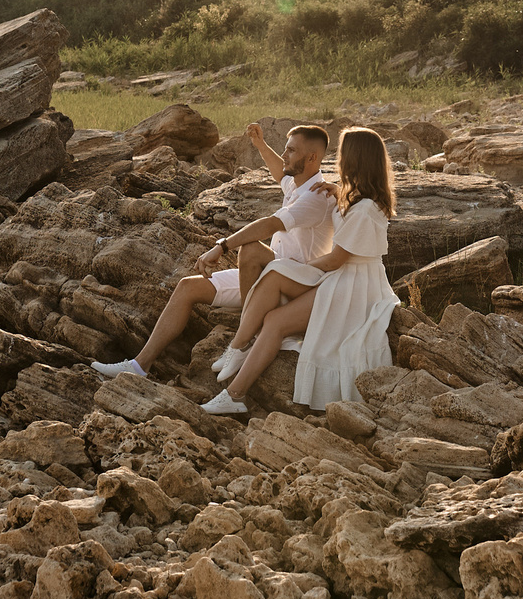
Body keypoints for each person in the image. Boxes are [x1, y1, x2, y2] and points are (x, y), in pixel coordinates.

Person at [89, 121, 333, 379]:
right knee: (187, 287)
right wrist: (260, 144)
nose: (284, 155)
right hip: (267, 275)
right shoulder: (299, 183)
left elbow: (270, 224)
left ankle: (246, 336)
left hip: (292, 286)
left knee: (249, 248)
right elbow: (280, 174)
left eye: (291, 151)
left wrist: (222, 245)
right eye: (285, 149)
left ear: (312, 157)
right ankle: (140, 365)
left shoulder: (316, 196)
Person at [203, 126, 400, 415]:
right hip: (340, 278)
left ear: (356, 159)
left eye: (343, 154)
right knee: (273, 308)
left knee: (277, 296)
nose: (339, 160)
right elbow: (284, 177)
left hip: (353, 288)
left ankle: (235, 388)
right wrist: (338, 190)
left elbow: (336, 259)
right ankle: (238, 353)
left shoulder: (365, 208)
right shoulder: (357, 198)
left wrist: (302, 268)